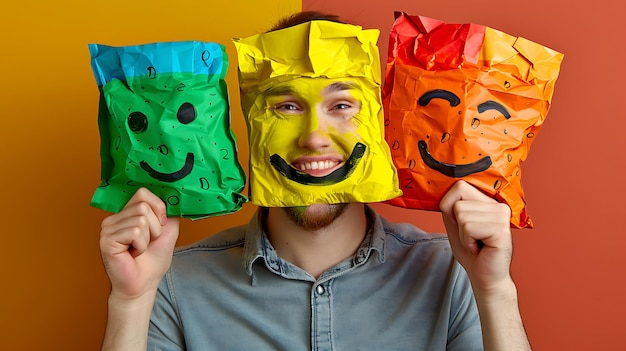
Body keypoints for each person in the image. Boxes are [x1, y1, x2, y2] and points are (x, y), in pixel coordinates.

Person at [98, 11, 531, 351]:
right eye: (286, 107)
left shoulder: (451, 274)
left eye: (342, 105)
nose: (314, 138)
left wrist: (495, 291)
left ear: (380, 123)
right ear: (245, 125)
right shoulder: (173, 281)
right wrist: (130, 304)